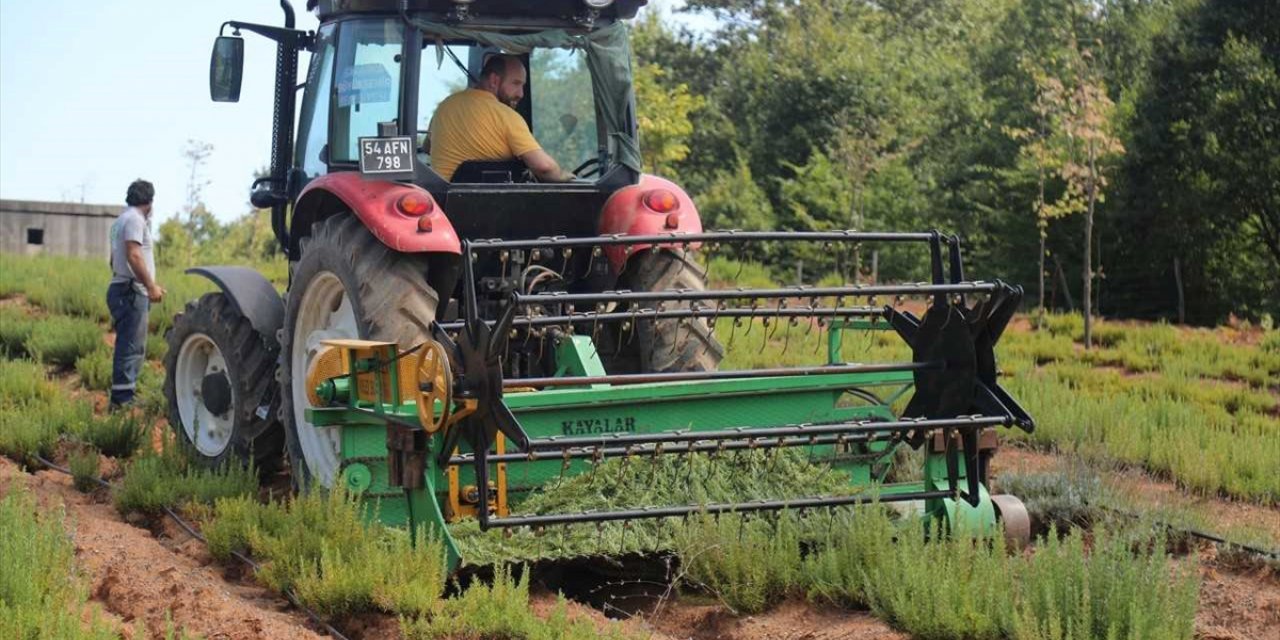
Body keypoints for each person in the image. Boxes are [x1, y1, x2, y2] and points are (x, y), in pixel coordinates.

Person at [428, 54, 574, 182]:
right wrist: (562, 175)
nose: (521, 94)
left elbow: (428, 147)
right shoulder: (506, 116)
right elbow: (544, 167)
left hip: (441, 204)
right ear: (494, 80)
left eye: (523, 86)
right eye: (516, 83)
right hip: (490, 206)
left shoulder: (444, 106)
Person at [107, 179, 164, 409]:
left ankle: (124, 396)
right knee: (131, 347)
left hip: (123, 287)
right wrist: (149, 286)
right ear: (150, 201)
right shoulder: (135, 220)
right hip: (130, 291)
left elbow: (113, 260)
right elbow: (134, 255)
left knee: (129, 344)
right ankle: (122, 403)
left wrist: (149, 283)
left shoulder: (119, 221)